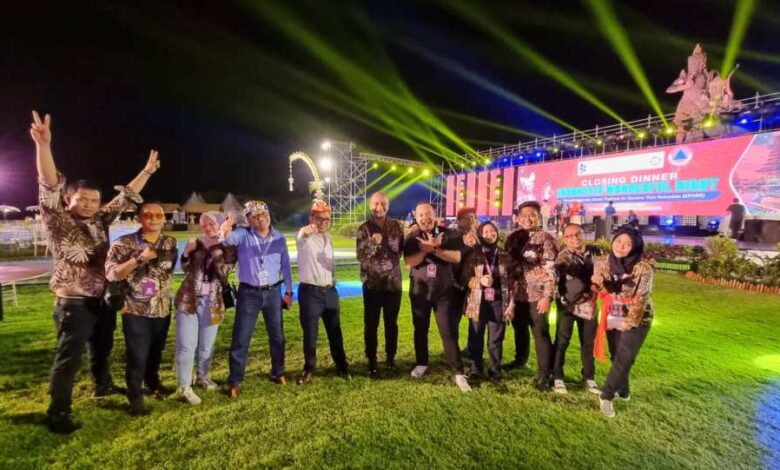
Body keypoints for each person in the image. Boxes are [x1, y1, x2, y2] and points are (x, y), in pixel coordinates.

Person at [31, 110, 160, 433]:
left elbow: (124, 198)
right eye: (83, 199)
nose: (89, 204)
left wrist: (146, 171)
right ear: (68, 199)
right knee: (69, 357)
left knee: (102, 348)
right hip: (73, 302)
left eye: (94, 200)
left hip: (102, 298)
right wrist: (44, 146)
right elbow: (48, 183)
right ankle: (58, 412)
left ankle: (102, 385)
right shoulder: (57, 219)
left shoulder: (101, 219)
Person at [106, 202, 178, 416]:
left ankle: (153, 383)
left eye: (158, 215)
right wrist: (139, 258)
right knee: (137, 356)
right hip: (136, 310)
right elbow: (112, 274)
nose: (153, 219)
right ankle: (135, 398)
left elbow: (168, 271)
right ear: (138, 218)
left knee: (156, 351)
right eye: (147, 215)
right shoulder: (123, 243)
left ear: (164, 219)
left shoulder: (170, 242)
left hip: (162, 308)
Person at [219, 201, 293, 397]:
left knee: (277, 336)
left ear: (269, 214)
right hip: (249, 294)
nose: (261, 217)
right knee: (241, 337)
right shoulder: (243, 234)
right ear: (248, 220)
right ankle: (235, 380)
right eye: (255, 215)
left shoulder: (279, 237)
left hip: (273, 292)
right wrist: (225, 230)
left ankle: (278, 372)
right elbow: (227, 240)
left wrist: (288, 292)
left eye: (263, 213)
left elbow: (285, 265)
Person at [403, 202, 470, 392]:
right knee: (420, 329)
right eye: (421, 215)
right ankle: (422, 363)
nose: (425, 218)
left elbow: (456, 257)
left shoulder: (448, 234)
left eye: (428, 214)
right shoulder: (412, 237)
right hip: (420, 292)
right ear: (416, 217)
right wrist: (424, 249)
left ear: (435, 215)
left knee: (448, 331)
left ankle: (458, 371)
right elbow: (409, 262)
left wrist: (434, 249)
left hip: (444, 292)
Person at [173, 212, 236, 404]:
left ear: (220, 224)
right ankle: (184, 386)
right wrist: (186, 252)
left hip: (213, 301)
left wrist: (217, 243)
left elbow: (224, 271)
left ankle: (203, 376)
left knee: (207, 345)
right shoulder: (197, 243)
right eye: (203, 225)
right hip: (188, 299)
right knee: (186, 345)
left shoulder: (229, 246)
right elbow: (185, 268)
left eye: (211, 224)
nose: (207, 228)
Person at [592, 227, 654, 418]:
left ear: (634, 247)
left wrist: (630, 320)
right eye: (619, 241)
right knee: (617, 355)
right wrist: (596, 283)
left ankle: (606, 396)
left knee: (626, 356)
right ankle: (624, 390)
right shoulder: (602, 262)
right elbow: (601, 288)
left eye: (627, 244)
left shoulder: (643, 268)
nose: (621, 246)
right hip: (613, 312)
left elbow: (642, 297)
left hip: (638, 316)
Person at [296, 200, 351, 384]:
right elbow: (301, 236)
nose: (323, 222)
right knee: (310, 335)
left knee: (335, 332)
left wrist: (333, 279)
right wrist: (305, 232)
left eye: (327, 219)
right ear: (311, 218)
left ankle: (342, 366)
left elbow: (331, 263)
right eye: (319, 218)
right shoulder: (305, 236)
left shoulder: (328, 238)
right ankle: (309, 368)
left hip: (329, 292)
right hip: (310, 293)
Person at [505, 200, 558, 391]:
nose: (528, 218)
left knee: (540, 333)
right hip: (517, 294)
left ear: (538, 218)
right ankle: (520, 359)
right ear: (518, 219)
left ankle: (545, 373)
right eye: (524, 215)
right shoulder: (512, 238)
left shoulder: (545, 239)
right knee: (520, 330)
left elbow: (551, 269)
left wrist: (547, 296)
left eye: (532, 215)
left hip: (537, 296)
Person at [356, 192, 405, 377]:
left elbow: (401, 251)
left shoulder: (397, 226)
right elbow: (360, 256)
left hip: (393, 285)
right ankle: (372, 360)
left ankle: (391, 359)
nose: (379, 207)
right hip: (372, 285)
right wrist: (371, 243)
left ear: (388, 206)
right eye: (376, 204)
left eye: (383, 204)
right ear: (370, 205)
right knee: (371, 325)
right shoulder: (364, 229)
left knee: (391, 324)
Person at [462, 221, 513, 382]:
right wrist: (479, 280)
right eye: (486, 231)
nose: (490, 234)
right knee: (476, 337)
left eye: (493, 231)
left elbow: (512, 282)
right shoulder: (474, 254)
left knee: (495, 340)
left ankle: (495, 370)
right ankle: (475, 369)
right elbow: (465, 277)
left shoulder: (504, 255)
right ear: (480, 234)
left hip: (498, 302)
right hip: (478, 302)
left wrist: (512, 304)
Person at [552, 224, 599, 395]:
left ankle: (589, 377)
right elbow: (555, 272)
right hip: (568, 305)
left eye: (577, 234)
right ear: (565, 239)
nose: (575, 238)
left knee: (588, 342)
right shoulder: (562, 256)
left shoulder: (596, 254)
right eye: (569, 236)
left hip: (589, 305)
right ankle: (557, 376)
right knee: (562, 341)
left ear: (583, 234)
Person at [450, 207, 479, 356]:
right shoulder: (452, 235)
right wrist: (467, 246)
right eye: (468, 217)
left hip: (473, 284)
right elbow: (453, 257)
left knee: (474, 317)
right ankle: (452, 349)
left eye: (473, 217)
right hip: (455, 283)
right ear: (459, 220)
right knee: (453, 318)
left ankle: (472, 348)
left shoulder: (478, 235)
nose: (471, 220)